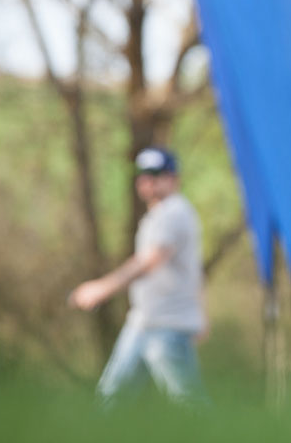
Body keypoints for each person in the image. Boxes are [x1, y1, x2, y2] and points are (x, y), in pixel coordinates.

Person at [68, 146, 208, 407]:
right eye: (142, 175)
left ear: (173, 178)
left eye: (155, 174)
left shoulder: (175, 211)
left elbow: (150, 261)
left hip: (168, 324)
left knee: (189, 404)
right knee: (111, 398)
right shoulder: (156, 216)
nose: (147, 181)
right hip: (143, 321)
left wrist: (102, 288)